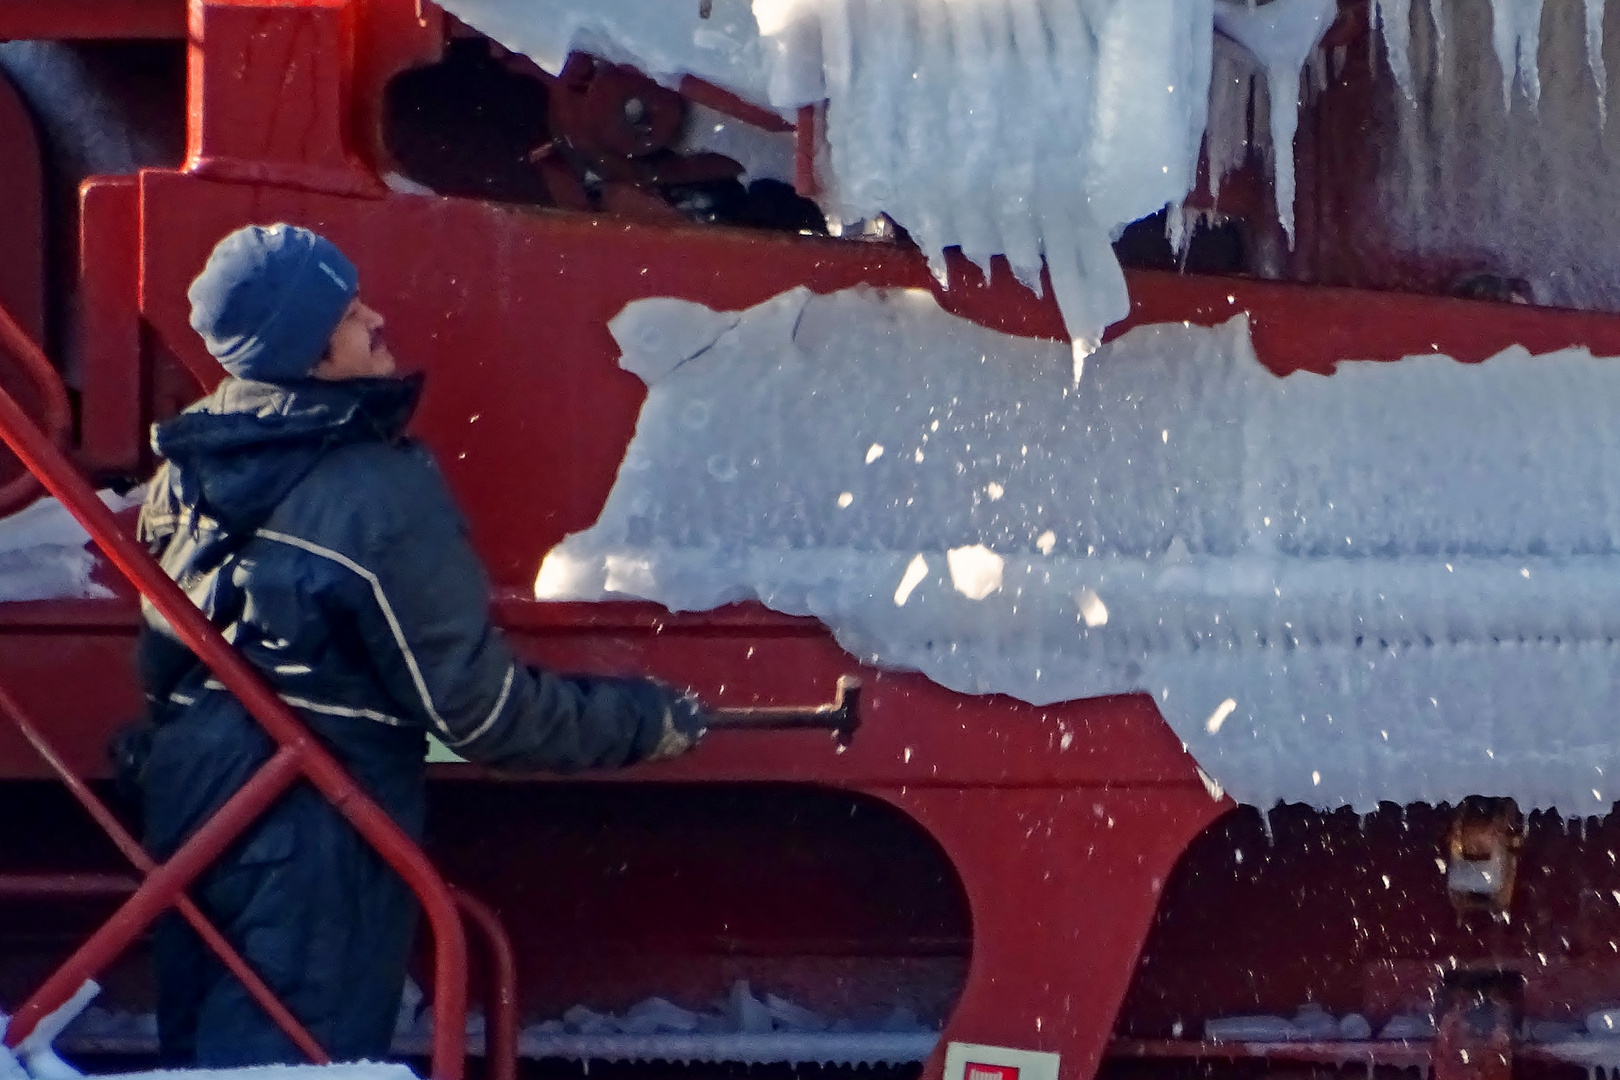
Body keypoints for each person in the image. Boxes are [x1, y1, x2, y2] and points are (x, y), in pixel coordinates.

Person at [131, 223, 707, 1067]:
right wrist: (643, 722)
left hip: (189, 803)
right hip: (314, 832)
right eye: (344, 307)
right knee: (289, 1063)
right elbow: (480, 714)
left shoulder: (182, 476)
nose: (373, 316)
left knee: (212, 1056)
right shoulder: (375, 495)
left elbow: (158, 662)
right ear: (310, 352)